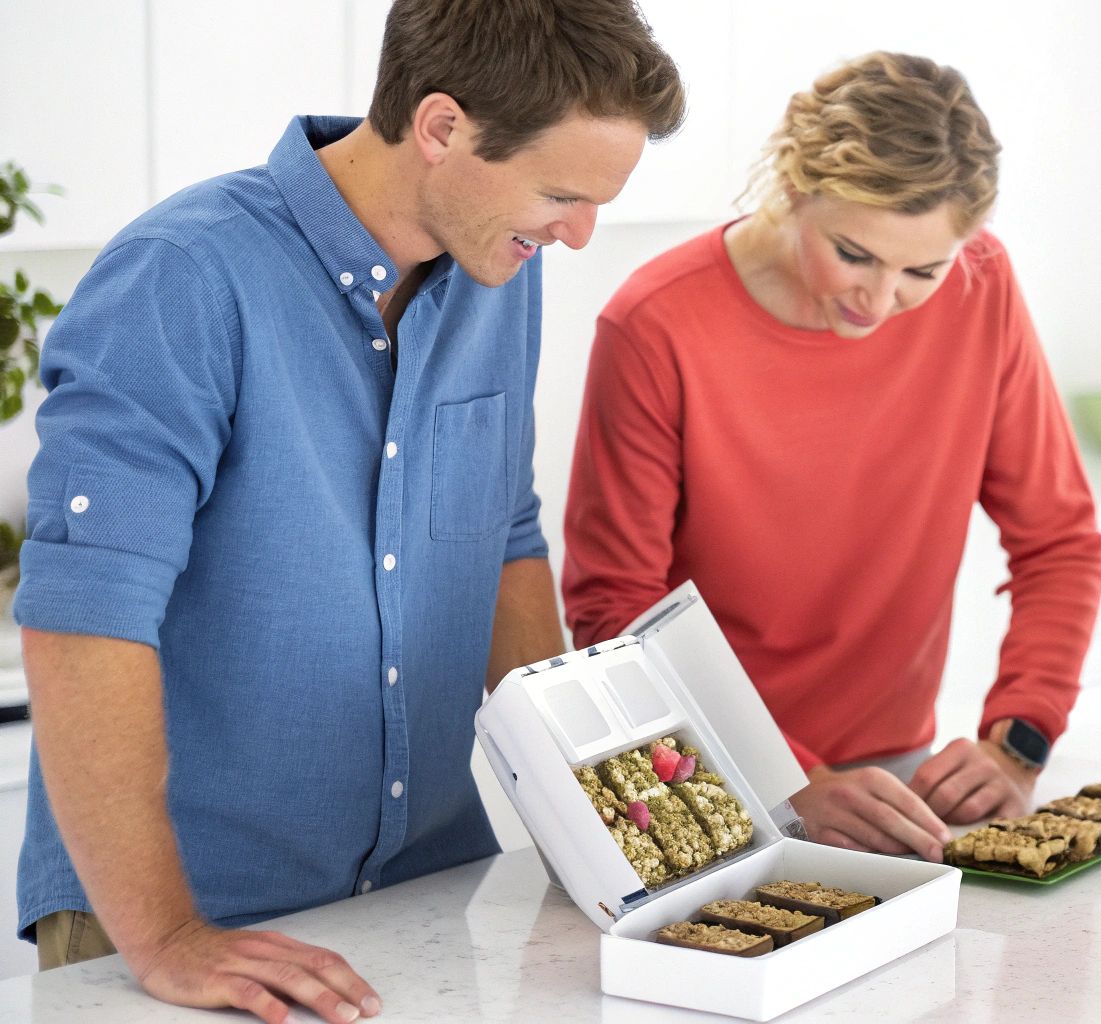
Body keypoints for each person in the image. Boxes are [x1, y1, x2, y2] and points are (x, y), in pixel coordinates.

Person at [13, 2, 681, 1020]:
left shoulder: (501, 268)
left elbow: (502, 537)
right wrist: (166, 934)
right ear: (442, 127)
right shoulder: (181, 279)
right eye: (559, 193)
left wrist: (600, 826)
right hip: (192, 922)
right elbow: (83, 618)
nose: (578, 234)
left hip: (420, 896)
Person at [562, 52, 1101, 863]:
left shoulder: (982, 290)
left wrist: (1020, 741)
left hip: (888, 781)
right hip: (695, 776)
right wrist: (786, 780)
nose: (881, 302)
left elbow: (1059, 541)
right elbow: (617, 612)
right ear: (793, 186)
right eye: (854, 253)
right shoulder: (656, 325)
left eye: (922, 269)